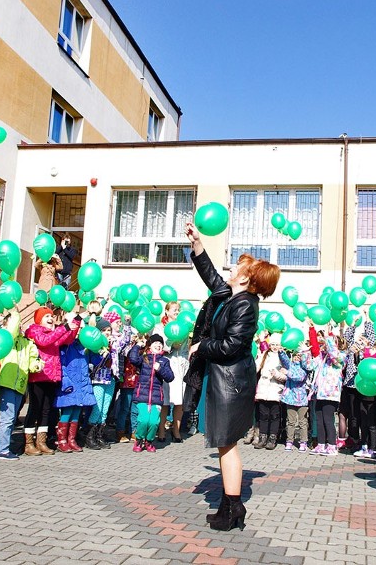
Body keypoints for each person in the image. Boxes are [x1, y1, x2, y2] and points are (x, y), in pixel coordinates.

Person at [185, 222, 280, 532]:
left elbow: (231, 345)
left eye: (237, 267)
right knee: (225, 445)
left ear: (246, 278)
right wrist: (198, 244)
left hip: (232, 381)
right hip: (224, 378)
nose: (231, 269)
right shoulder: (230, 295)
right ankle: (229, 504)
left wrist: (201, 345)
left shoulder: (245, 306)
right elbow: (211, 276)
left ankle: (233, 506)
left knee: (227, 445)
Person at [25, 307, 79, 455]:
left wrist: (76, 321)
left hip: (51, 377)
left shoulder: (54, 333)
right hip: (38, 376)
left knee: (46, 410)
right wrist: (65, 327)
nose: (51, 318)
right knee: (35, 409)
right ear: (39, 320)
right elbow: (44, 341)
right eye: (47, 316)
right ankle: (28, 443)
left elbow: (68, 338)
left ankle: (41, 441)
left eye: (52, 316)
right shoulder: (34, 331)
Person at [0, 308, 42, 460]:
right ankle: (2, 449)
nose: (19, 326)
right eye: (17, 324)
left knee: (12, 418)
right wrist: (15, 314)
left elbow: (32, 359)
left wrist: (37, 365)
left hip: (20, 385)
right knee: (7, 418)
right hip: (7, 383)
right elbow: (12, 330)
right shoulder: (8, 339)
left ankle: (5, 443)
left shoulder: (27, 343)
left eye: (21, 324)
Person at [128, 333, 175, 452]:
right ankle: (139, 440)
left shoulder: (164, 361)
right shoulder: (144, 358)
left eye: (160, 344)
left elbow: (170, 377)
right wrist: (138, 345)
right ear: (150, 346)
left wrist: (160, 369)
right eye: (155, 343)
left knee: (154, 422)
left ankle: (149, 441)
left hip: (156, 397)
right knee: (143, 420)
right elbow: (132, 358)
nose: (158, 345)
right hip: (142, 395)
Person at [55, 324, 97, 453]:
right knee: (67, 412)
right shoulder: (66, 346)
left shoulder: (85, 347)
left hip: (82, 384)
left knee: (77, 412)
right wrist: (66, 382)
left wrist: (99, 350)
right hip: (70, 384)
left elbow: (96, 361)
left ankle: (71, 439)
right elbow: (61, 364)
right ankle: (61, 440)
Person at [308, 324, 346, 457]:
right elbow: (310, 364)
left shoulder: (341, 357)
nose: (325, 344)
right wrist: (311, 331)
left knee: (328, 419)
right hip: (319, 393)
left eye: (330, 343)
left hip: (331, 394)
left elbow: (334, 355)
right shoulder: (322, 358)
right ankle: (321, 444)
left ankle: (332, 446)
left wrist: (328, 337)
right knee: (319, 419)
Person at [156, 302, 188, 443]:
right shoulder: (160, 327)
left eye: (179, 310)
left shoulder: (184, 327)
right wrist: (170, 346)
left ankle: (176, 430)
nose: (177, 312)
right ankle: (161, 430)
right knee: (165, 401)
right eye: (175, 310)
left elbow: (187, 347)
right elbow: (156, 345)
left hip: (181, 367)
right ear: (167, 311)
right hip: (167, 366)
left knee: (179, 401)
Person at [253, 333, 285, 450]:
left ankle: (272, 438)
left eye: (277, 344)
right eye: (273, 344)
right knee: (263, 415)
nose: (275, 347)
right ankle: (262, 437)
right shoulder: (265, 355)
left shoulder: (283, 356)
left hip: (276, 390)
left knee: (274, 416)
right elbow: (256, 368)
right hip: (263, 389)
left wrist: (276, 374)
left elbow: (286, 375)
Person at [279, 341, 313, 452]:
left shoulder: (304, 368)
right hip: (290, 398)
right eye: (295, 355)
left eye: (299, 356)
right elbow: (284, 360)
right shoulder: (290, 365)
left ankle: (303, 442)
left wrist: (287, 373)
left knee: (303, 422)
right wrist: (281, 352)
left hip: (302, 399)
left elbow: (299, 378)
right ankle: (289, 441)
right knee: (291, 421)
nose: (297, 358)